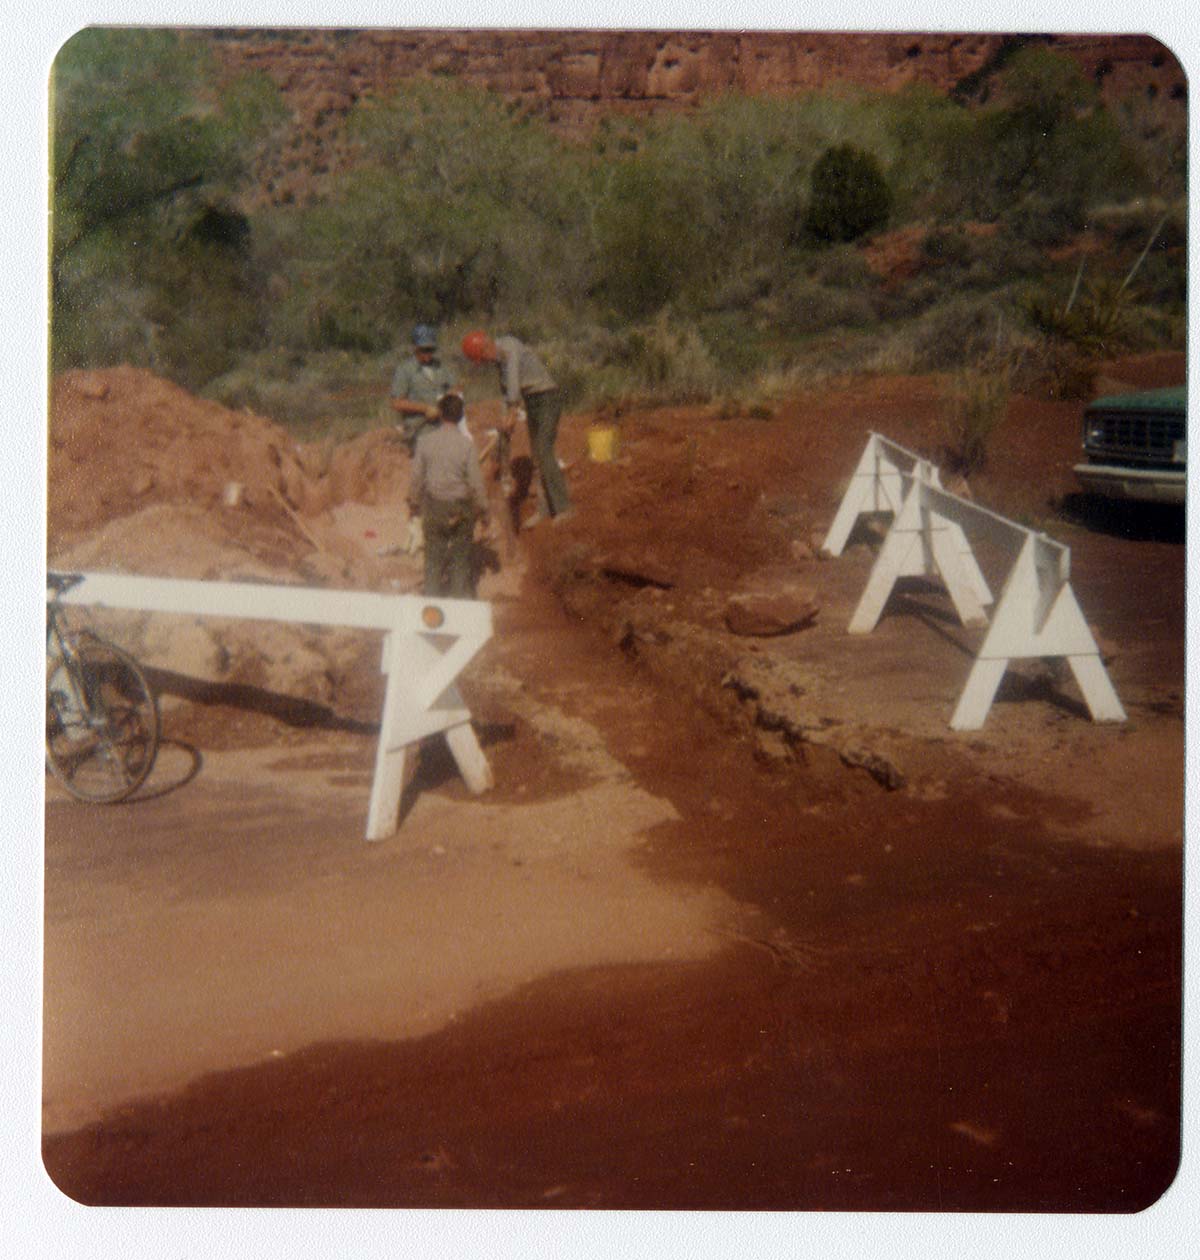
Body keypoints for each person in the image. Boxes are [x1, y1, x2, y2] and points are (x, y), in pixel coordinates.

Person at [461, 330, 573, 526]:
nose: (486, 362)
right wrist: (506, 418)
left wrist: (512, 412)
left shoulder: (509, 346)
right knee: (538, 456)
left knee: (545, 450)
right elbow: (506, 393)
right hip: (531, 401)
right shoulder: (498, 362)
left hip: (547, 397)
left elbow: (513, 383)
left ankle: (564, 508)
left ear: (487, 346)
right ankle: (545, 509)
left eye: (483, 357)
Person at [407, 393, 489, 599]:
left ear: (440, 414)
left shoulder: (425, 442)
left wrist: (413, 504)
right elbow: (476, 484)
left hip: (435, 507)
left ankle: (432, 610)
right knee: (460, 560)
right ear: (461, 417)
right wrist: (484, 510)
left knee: (433, 559)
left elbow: (416, 478)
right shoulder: (467, 445)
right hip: (461, 508)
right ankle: (458, 608)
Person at [390, 323, 458, 452]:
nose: (428, 354)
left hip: (444, 423)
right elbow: (397, 403)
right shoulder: (405, 370)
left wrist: (447, 401)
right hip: (420, 428)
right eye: (424, 350)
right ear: (415, 348)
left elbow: (455, 388)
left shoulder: (441, 367)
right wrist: (425, 408)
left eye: (431, 350)